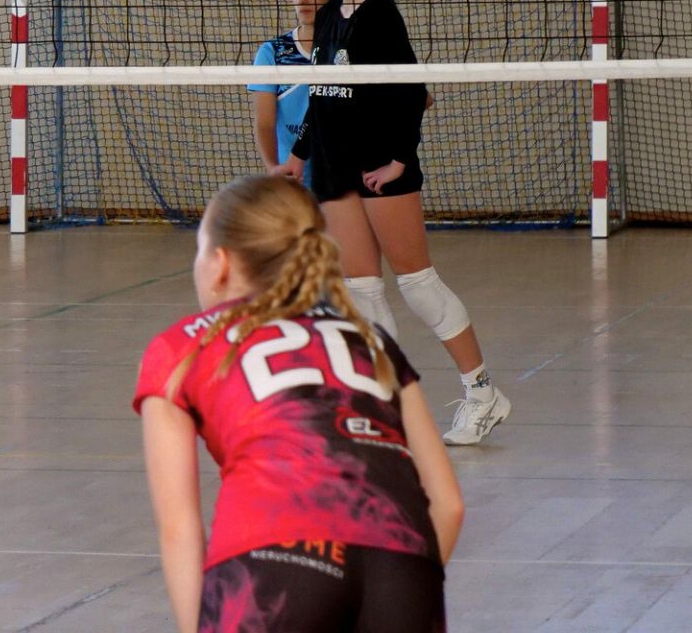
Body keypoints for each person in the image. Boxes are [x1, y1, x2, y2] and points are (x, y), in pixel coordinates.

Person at [136, 174, 464, 633]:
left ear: (220, 264)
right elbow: (448, 504)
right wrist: (405, 586)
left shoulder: (182, 347)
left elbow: (179, 529)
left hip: (273, 560)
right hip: (401, 566)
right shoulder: (369, 339)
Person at [277, 0, 510, 445]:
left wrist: (400, 160)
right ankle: (383, 406)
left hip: (379, 165)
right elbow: (322, 94)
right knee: (361, 291)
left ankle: (482, 393)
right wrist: (299, 154)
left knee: (418, 285)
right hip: (333, 167)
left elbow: (413, 93)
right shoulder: (330, 14)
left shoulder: (382, 17)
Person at [248, 0, 320, 184]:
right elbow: (264, 123)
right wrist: (274, 169)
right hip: (293, 180)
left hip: (339, 182)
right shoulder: (273, 52)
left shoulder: (344, 50)